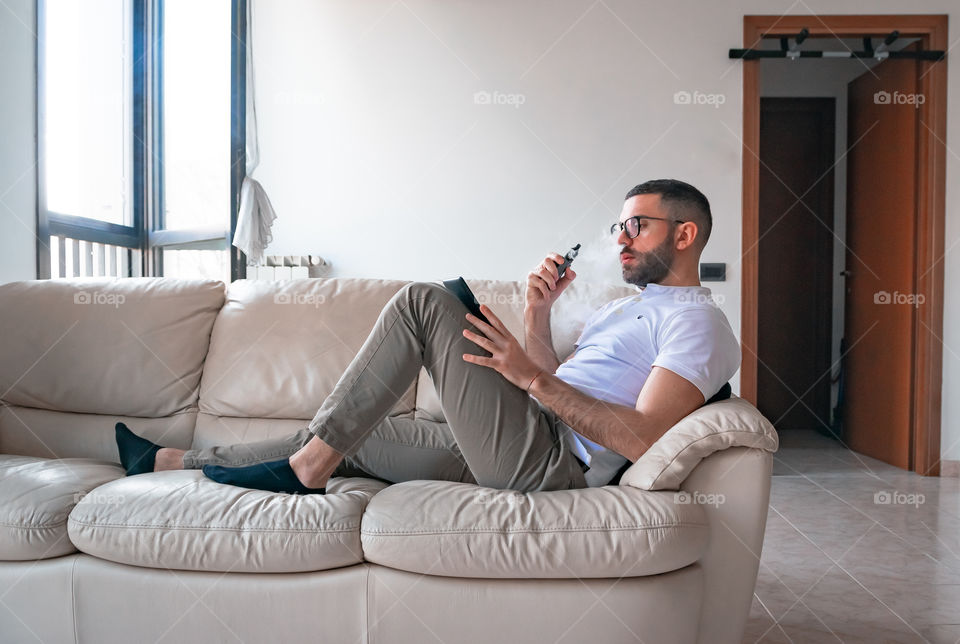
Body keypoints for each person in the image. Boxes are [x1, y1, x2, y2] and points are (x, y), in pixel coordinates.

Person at [115, 179, 740, 495]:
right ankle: (170, 462)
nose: (620, 238)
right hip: (520, 431)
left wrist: (526, 377)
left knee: (423, 301)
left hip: (550, 463)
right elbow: (565, 379)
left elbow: (643, 436)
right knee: (348, 433)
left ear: (684, 236)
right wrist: (536, 314)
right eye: (618, 224)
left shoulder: (696, 323)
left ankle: (306, 470)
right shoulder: (626, 309)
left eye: (637, 224)